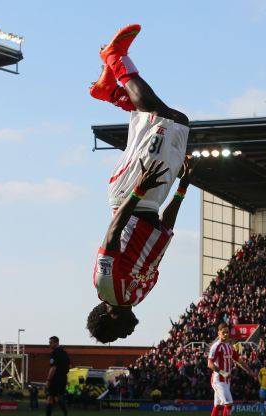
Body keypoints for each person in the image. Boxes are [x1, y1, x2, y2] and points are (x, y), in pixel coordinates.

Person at [86, 24, 192, 343]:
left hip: (130, 195)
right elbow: (164, 233)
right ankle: (113, 93)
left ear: (108, 317)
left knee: (162, 116)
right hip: (152, 202)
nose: (130, 332)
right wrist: (183, 189)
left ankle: (116, 58)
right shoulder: (138, 294)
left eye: (120, 334)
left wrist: (137, 190)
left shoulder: (106, 286)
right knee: (179, 122)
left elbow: (113, 233)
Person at [207, 323, 256, 416]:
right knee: (228, 404)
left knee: (218, 406)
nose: (225, 334)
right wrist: (223, 373)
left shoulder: (229, 346)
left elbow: (238, 360)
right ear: (218, 333)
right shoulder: (216, 346)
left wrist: (249, 371)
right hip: (218, 380)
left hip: (226, 381)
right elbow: (209, 364)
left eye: (227, 332)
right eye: (223, 332)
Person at [43, 336, 71, 416]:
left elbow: (53, 368)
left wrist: (48, 380)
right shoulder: (64, 353)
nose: (49, 344)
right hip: (64, 378)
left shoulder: (54, 353)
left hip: (56, 378)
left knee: (50, 398)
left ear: (56, 342)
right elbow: (69, 366)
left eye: (51, 342)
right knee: (59, 397)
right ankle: (66, 415)